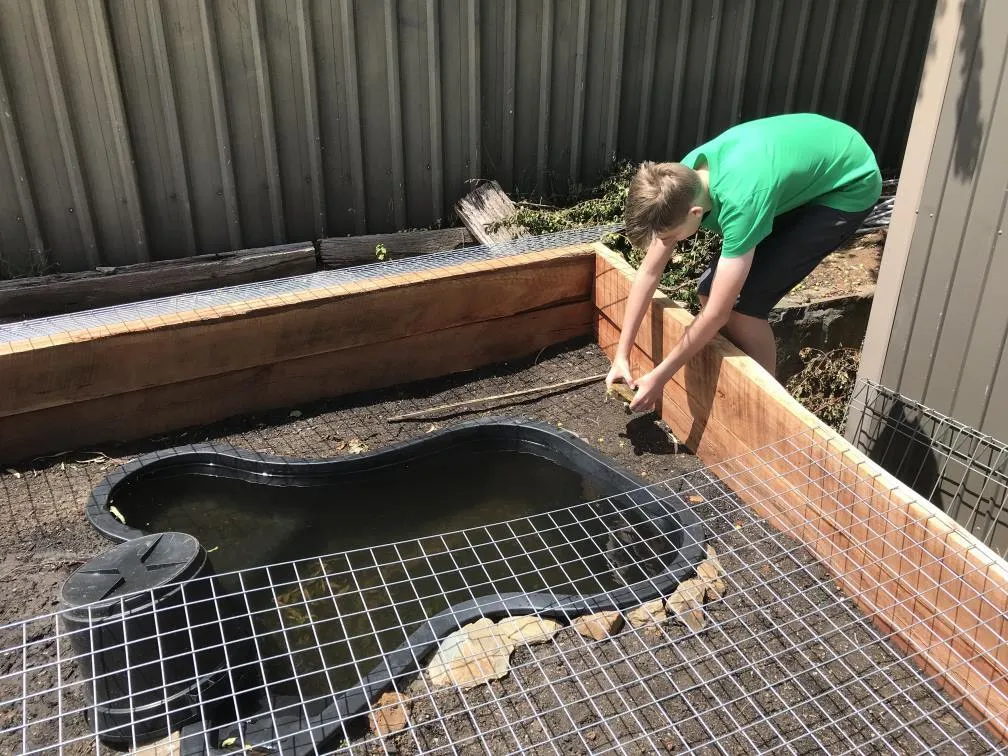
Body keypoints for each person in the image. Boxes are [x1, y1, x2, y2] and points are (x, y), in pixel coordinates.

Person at [605, 112, 882, 413]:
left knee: (746, 308)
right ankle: (738, 379)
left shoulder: (741, 204)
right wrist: (622, 353)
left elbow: (718, 314)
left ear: (696, 213)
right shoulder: (678, 183)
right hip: (801, 164)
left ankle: (767, 406)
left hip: (848, 183)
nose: (667, 243)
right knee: (708, 291)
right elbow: (648, 272)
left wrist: (661, 377)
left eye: (671, 237)